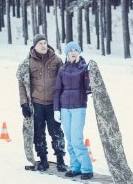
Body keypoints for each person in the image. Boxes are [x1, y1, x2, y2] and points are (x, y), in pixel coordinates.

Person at [17, 34, 67, 172]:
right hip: (37, 104)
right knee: (38, 133)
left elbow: (65, 80)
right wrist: (24, 104)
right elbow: (22, 83)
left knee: (56, 132)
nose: (43, 45)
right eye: (40, 43)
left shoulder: (56, 60)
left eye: (45, 42)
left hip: (53, 104)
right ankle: (43, 160)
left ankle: (60, 160)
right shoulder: (27, 62)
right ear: (35, 46)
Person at [53, 41, 93, 180]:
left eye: (76, 50)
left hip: (78, 108)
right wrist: (56, 110)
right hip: (64, 109)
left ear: (79, 52)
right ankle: (75, 168)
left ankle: (87, 168)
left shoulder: (84, 68)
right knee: (70, 140)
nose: (73, 52)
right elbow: (58, 90)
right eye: (71, 50)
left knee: (77, 139)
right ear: (67, 53)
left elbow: (89, 87)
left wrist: (89, 75)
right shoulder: (62, 70)